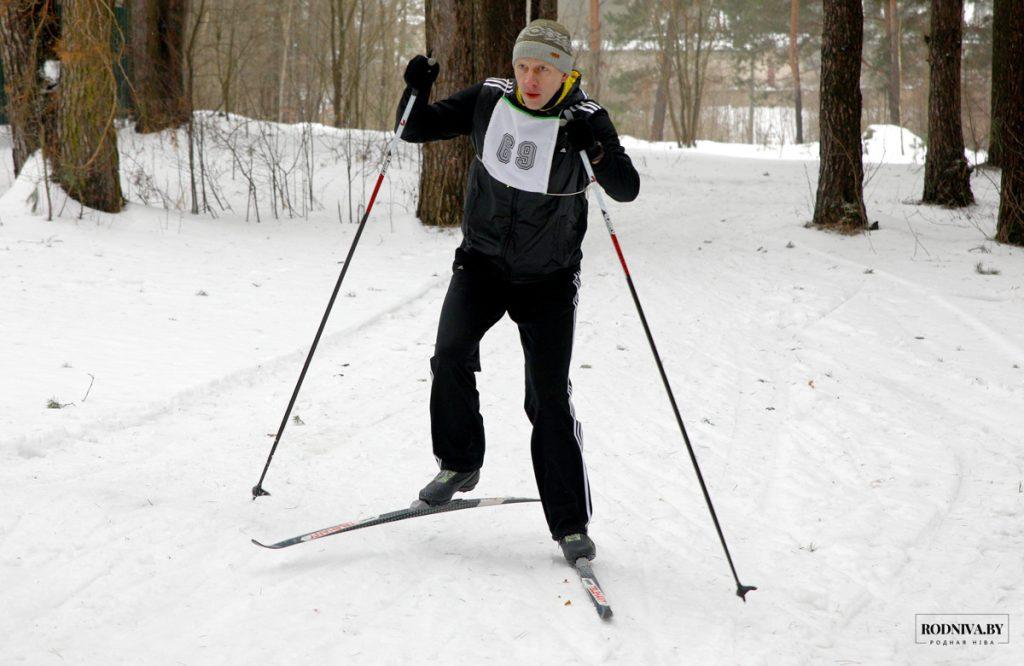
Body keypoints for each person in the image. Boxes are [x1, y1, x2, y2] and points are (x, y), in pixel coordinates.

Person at [395, 19, 640, 564]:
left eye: (543, 69)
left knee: (547, 400)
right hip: (481, 263)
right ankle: (460, 462)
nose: (530, 78)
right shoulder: (489, 99)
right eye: (524, 66)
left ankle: (569, 524)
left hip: (548, 279)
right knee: (450, 355)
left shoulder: (587, 118)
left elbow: (626, 189)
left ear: (564, 71)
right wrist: (415, 89)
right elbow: (414, 129)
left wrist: (595, 152)